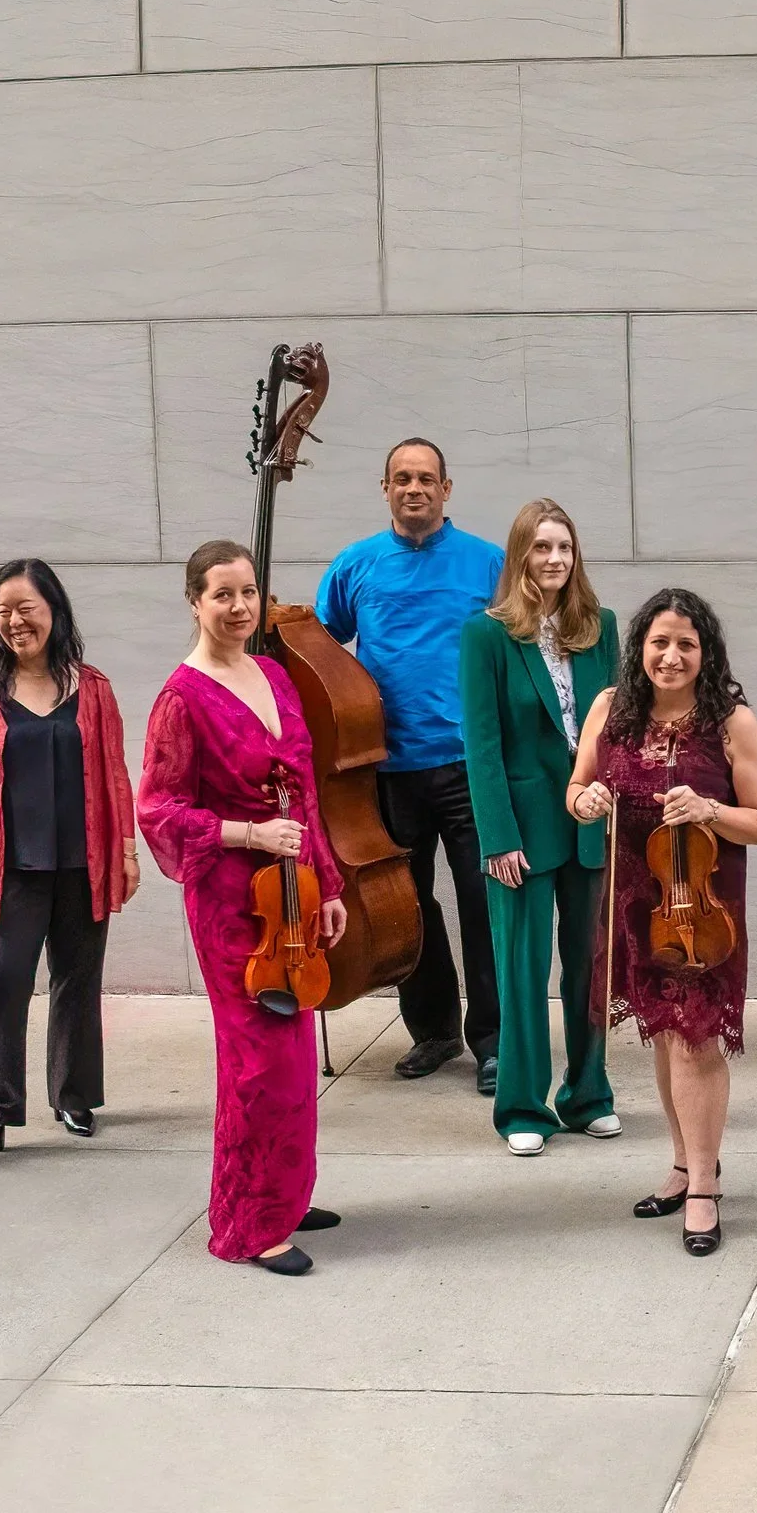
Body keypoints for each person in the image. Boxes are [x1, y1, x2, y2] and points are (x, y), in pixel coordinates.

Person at [137, 541, 347, 1276]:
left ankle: (283, 1195)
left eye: (248, 592)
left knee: (296, 1052)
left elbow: (305, 792)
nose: (238, 607)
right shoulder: (181, 698)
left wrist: (328, 886)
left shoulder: (274, 675)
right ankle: (251, 1226)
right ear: (194, 602)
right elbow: (159, 809)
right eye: (222, 594)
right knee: (259, 1061)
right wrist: (247, 833)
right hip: (232, 901)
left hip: (292, 896)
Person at [568, 589, 757, 1257]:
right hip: (638, 903)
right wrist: (586, 799)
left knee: (695, 1042)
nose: (671, 655)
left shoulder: (731, 722)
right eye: (660, 642)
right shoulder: (611, 709)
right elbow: (577, 787)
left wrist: (709, 809)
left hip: (704, 910)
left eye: (687, 643)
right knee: (664, 1037)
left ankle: (705, 1189)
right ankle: (685, 1164)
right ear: (640, 648)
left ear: (705, 652)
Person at [316, 439, 506, 1093]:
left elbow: (521, 651)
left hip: (470, 767)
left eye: (426, 478)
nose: (414, 488)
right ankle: (434, 1030)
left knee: (483, 902)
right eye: (402, 478)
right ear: (386, 488)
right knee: (407, 906)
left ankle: (494, 1040)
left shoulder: (488, 562)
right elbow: (319, 650)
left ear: (446, 489)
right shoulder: (356, 565)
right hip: (386, 769)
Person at [0, 560, 139, 1150]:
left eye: (25, 608)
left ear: (54, 610)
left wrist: (127, 851)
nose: (14, 621)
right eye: (3, 610)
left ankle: (74, 1098)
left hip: (85, 862)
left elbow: (116, 775)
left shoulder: (93, 687)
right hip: (12, 867)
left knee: (77, 981)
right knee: (3, 980)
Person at [458, 499, 622, 1156]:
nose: (555, 559)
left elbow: (617, 725)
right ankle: (524, 1105)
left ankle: (589, 1095)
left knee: (590, 969)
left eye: (565, 547)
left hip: (591, 823)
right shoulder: (486, 635)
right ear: (520, 553)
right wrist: (496, 837)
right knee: (522, 972)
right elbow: (481, 743)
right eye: (542, 547)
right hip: (522, 831)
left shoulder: (601, 626)